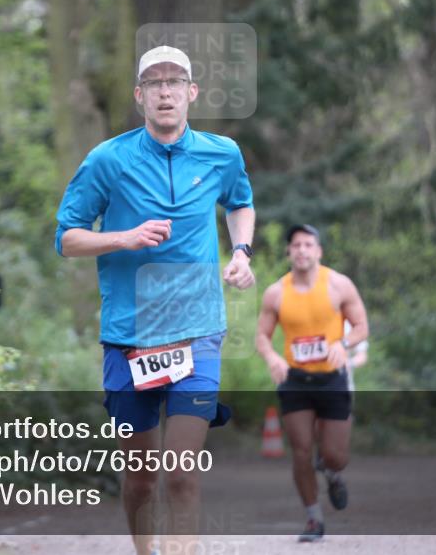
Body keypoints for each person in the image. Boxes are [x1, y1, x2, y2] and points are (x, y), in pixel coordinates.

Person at [55, 45, 256, 555]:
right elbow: (67, 238)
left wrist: (242, 252)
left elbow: (241, 203)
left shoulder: (222, 153)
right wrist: (123, 237)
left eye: (175, 82)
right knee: (142, 479)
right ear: (139, 96)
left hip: (198, 333)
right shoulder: (107, 160)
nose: (165, 91)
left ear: (191, 93)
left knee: (181, 472)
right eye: (154, 83)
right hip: (129, 337)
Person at [255, 223, 369, 542]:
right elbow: (262, 336)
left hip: (333, 378)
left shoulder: (338, 285)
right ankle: (313, 518)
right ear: (289, 252)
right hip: (296, 381)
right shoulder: (277, 292)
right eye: (296, 245)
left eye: (308, 244)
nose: (302, 250)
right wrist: (272, 358)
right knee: (301, 450)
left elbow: (361, 327)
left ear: (318, 251)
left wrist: (342, 344)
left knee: (335, 455)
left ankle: (332, 473)